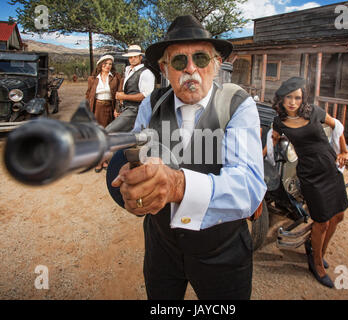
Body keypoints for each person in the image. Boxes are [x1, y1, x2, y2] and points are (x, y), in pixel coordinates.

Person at [106, 15, 266, 300]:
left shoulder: (238, 105)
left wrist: (179, 186)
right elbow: (138, 155)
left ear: (215, 65)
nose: (191, 69)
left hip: (222, 252)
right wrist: (132, 182)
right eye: (179, 62)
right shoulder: (152, 105)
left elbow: (249, 186)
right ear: (165, 69)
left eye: (201, 59)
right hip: (162, 247)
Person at [271, 77, 348, 288]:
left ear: (302, 98)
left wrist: (343, 150)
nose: (293, 102)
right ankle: (316, 264)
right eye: (288, 97)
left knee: (339, 215)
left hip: (330, 170)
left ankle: (317, 249)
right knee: (322, 221)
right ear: (281, 99)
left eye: (297, 97)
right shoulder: (279, 122)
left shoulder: (314, 112)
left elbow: (337, 126)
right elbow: (272, 142)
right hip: (310, 176)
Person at [106, 45, 155, 133]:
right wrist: (118, 109)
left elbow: (146, 96)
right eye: (130, 57)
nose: (132, 59)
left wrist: (124, 97)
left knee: (108, 132)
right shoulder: (127, 70)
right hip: (125, 109)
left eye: (135, 57)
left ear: (140, 57)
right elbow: (123, 91)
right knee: (119, 136)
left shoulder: (146, 73)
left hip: (136, 110)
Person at [85, 54, 121, 172]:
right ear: (100, 65)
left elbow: (118, 95)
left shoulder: (115, 77)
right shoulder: (93, 78)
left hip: (109, 108)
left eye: (110, 64)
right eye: (105, 64)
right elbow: (88, 94)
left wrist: (117, 109)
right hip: (97, 108)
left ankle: (104, 160)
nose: (108, 66)